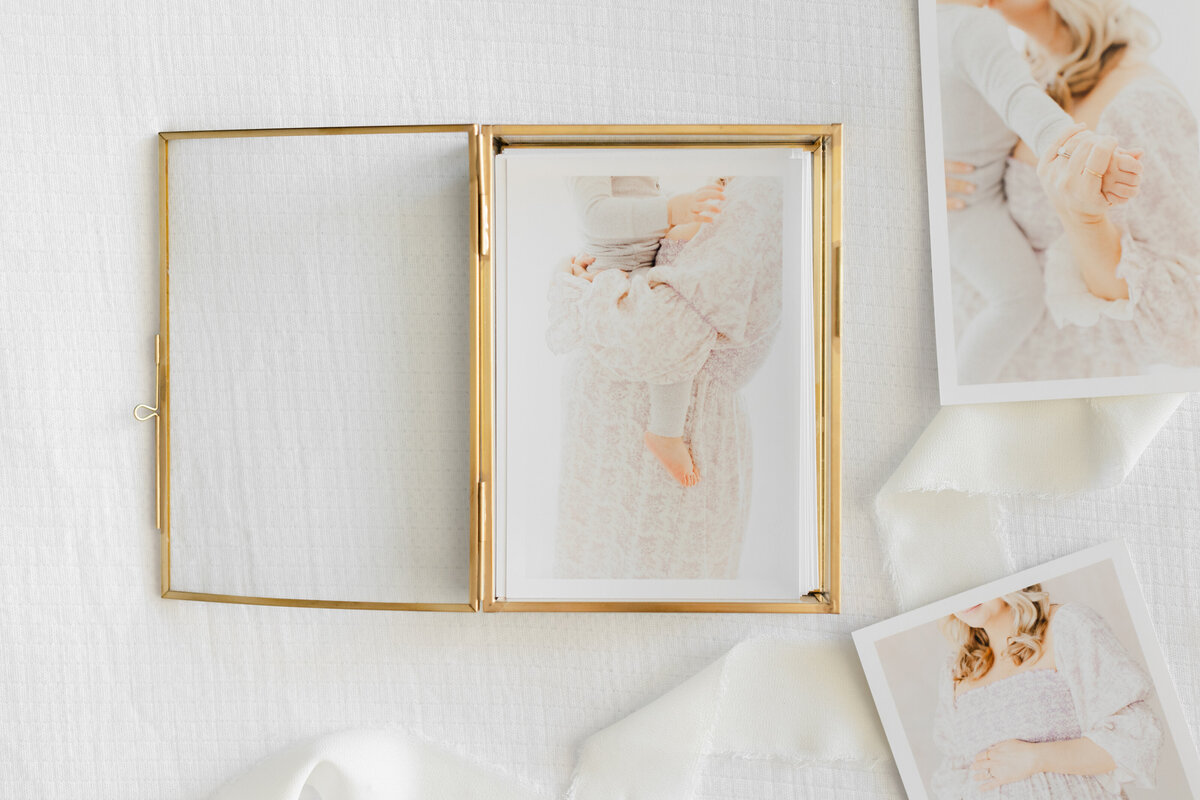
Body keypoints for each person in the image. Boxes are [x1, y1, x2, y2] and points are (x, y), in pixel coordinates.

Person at [946, 0, 1200, 381]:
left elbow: (1186, 330)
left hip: (1059, 403)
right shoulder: (1024, 81)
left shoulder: (1140, 102)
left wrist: (1085, 219)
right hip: (978, 366)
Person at [547, 176, 782, 579]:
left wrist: (595, 292)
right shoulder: (608, 166)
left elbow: (668, 331)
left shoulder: (760, 193)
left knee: (652, 587)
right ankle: (664, 431)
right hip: (611, 407)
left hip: (667, 419)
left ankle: (665, 431)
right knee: (592, 577)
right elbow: (604, 226)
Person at [566, 176, 726, 486]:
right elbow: (594, 214)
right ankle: (665, 432)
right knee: (671, 327)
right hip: (615, 270)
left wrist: (691, 203)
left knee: (706, 233)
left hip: (650, 262)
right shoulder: (590, 151)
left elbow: (647, 199)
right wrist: (672, 209)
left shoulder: (640, 152)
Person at [931, 586, 1164, 798]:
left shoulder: (1067, 625)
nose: (961, 595)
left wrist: (1037, 758)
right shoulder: (956, 670)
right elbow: (951, 779)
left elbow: (1135, 739)